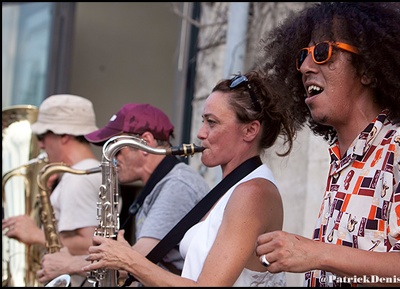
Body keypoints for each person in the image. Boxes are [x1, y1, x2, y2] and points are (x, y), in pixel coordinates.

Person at [255, 2, 400, 287]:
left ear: (368, 70)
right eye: (302, 56)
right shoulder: (343, 161)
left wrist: (317, 253)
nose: (305, 67)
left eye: (323, 52)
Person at [81, 70, 297, 286]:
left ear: (250, 130)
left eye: (211, 123)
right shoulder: (229, 189)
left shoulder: (253, 192)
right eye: (203, 121)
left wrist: (128, 260)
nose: (201, 133)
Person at [35, 103, 210, 285]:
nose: (112, 159)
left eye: (116, 150)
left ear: (145, 142)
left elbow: (135, 261)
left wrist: (69, 264)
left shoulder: (177, 185)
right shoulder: (160, 185)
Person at [2, 94, 102, 287]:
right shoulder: (79, 174)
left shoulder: (78, 177)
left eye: (42, 136)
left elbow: (91, 243)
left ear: (64, 135)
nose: (40, 145)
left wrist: (35, 234)